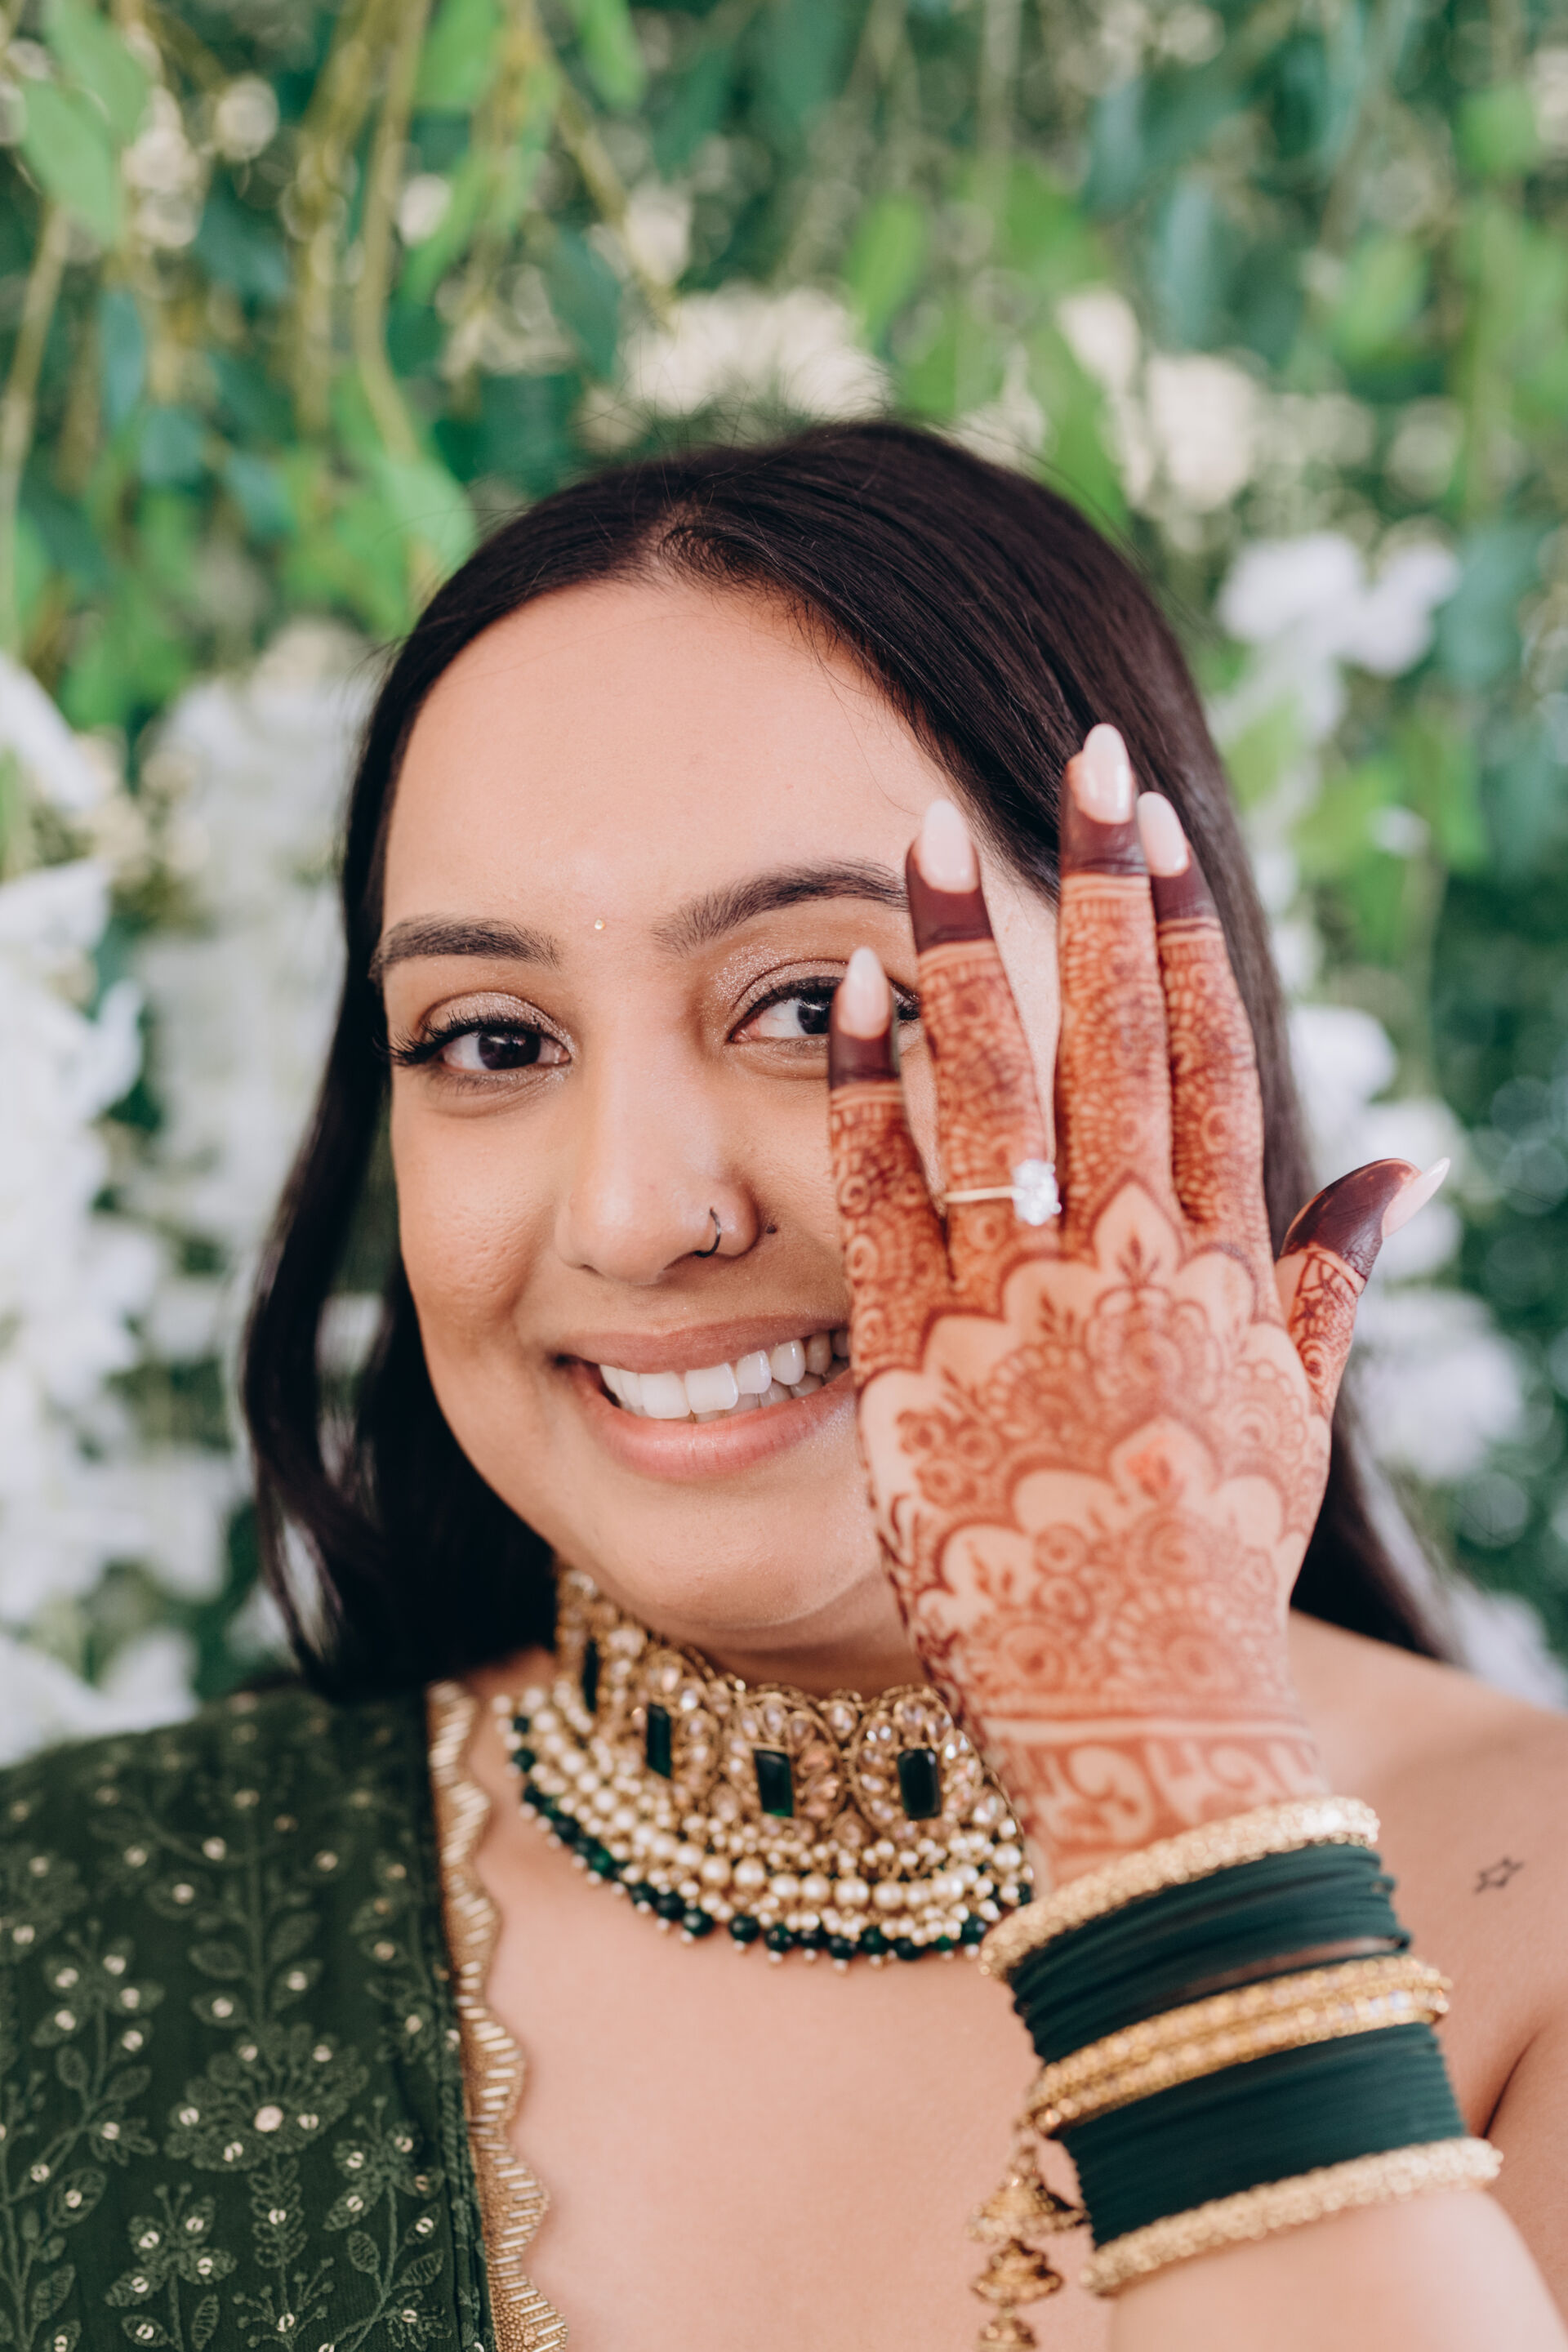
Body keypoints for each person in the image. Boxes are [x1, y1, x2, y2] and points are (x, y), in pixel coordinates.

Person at [2, 425, 1566, 2352]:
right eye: (491, 1040)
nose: (636, 1214)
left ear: (1176, 1032)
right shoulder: (73, 1932)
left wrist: (1159, 1773)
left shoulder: (1535, 1923)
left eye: (822, 1006)